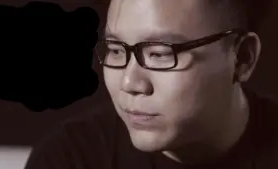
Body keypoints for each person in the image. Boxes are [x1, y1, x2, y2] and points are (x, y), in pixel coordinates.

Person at [25, 0, 278, 168]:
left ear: (242, 58)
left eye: (160, 53)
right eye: (115, 50)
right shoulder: (69, 159)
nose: (129, 82)